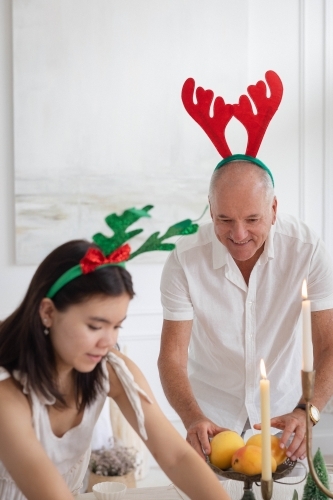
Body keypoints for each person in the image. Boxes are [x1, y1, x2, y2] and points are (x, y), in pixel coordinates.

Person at [0, 239, 231, 500]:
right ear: (48, 312)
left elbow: (176, 458)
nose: (108, 341)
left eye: (116, 326)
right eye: (95, 326)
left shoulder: (109, 369)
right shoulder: (7, 393)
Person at [158, 160, 333, 464]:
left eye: (252, 219)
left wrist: (308, 411)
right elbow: (171, 357)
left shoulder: (307, 250)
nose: (239, 234)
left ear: (274, 209)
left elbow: (329, 345)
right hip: (210, 421)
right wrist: (192, 418)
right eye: (225, 220)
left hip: (286, 417)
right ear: (211, 211)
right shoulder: (184, 260)